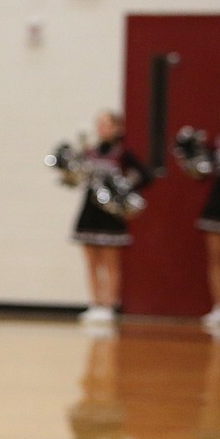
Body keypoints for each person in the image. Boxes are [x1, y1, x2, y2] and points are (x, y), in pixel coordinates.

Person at [71, 110, 151, 324]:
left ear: (117, 128)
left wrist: (124, 186)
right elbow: (74, 178)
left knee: (110, 262)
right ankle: (95, 303)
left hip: (111, 214)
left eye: (107, 124)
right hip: (89, 210)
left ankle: (109, 304)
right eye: (100, 124)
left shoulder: (123, 153)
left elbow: (145, 174)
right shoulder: (88, 152)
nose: (103, 128)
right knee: (91, 261)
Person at [178, 99, 220, 326]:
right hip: (217, 206)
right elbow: (200, 174)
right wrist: (188, 152)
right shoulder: (215, 145)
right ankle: (219, 307)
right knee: (216, 261)